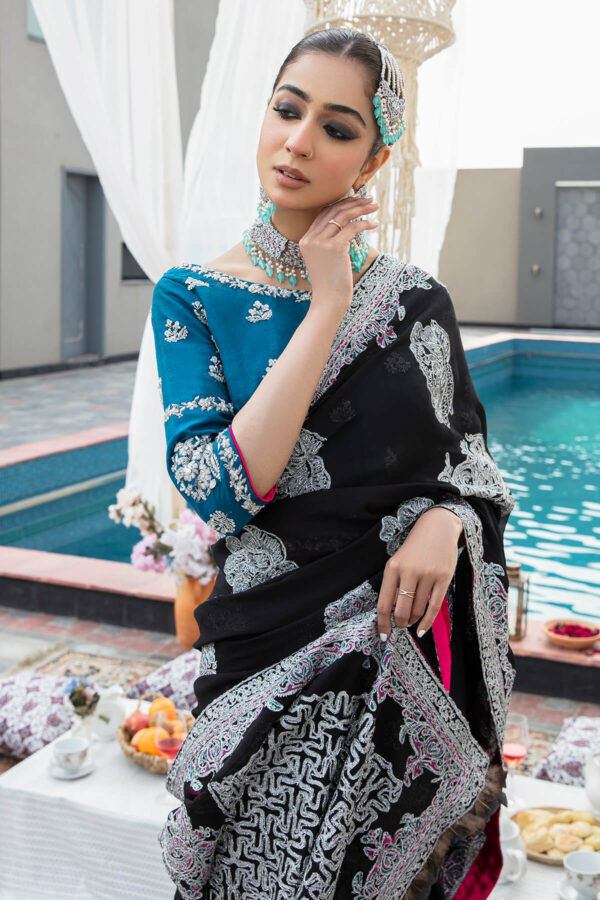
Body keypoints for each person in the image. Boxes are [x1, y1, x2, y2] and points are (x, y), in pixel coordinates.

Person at [152, 26, 516, 899]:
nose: (299, 141)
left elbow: (472, 470)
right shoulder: (192, 295)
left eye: (337, 127)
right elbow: (224, 493)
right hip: (262, 651)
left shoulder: (416, 303)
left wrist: (446, 521)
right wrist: (326, 306)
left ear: (373, 161)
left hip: (400, 656)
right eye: (287, 110)